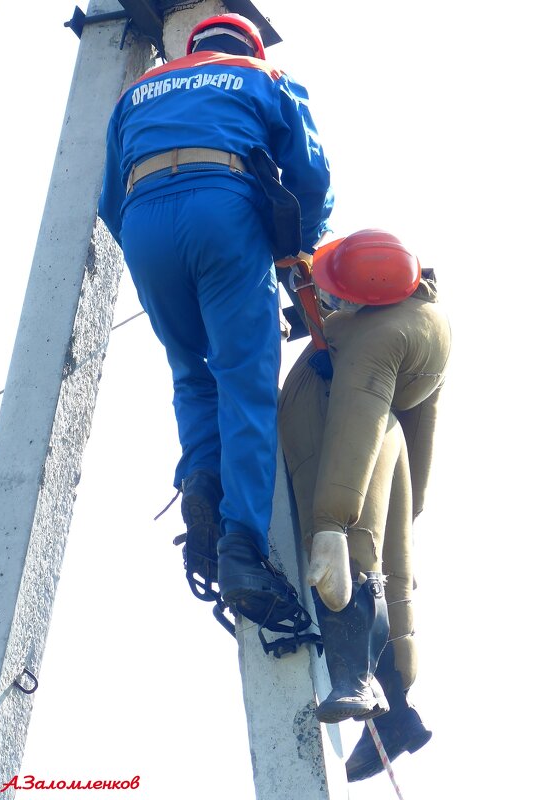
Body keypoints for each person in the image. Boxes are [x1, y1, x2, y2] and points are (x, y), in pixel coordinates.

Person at [98, 13, 333, 629]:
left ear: (192, 49)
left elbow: (107, 201)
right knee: (246, 383)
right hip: (223, 209)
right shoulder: (263, 74)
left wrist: (160, 256)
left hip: (144, 222)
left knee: (191, 371)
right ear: (248, 46)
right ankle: (243, 551)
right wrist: (298, 253)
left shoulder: (136, 93)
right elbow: (311, 178)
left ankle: (201, 480)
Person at [278, 229, 451, 778]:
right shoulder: (426, 319)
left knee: (348, 561)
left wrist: (330, 520)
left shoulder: (373, 342)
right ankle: (397, 713)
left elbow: (356, 422)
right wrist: (414, 502)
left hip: (344, 457)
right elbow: (422, 426)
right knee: (392, 576)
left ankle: (357, 679)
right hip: (391, 450)